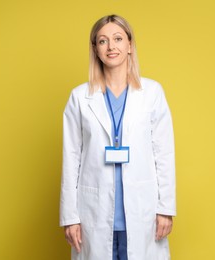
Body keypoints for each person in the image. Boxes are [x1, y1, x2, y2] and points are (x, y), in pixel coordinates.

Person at [60, 14, 176, 260]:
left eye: (118, 38)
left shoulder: (152, 93)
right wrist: (69, 217)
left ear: (130, 45)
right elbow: (71, 160)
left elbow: (163, 154)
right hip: (93, 212)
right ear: (95, 49)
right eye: (103, 41)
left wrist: (165, 208)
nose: (111, 46)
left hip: (142, 210)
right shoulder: (80, 98)